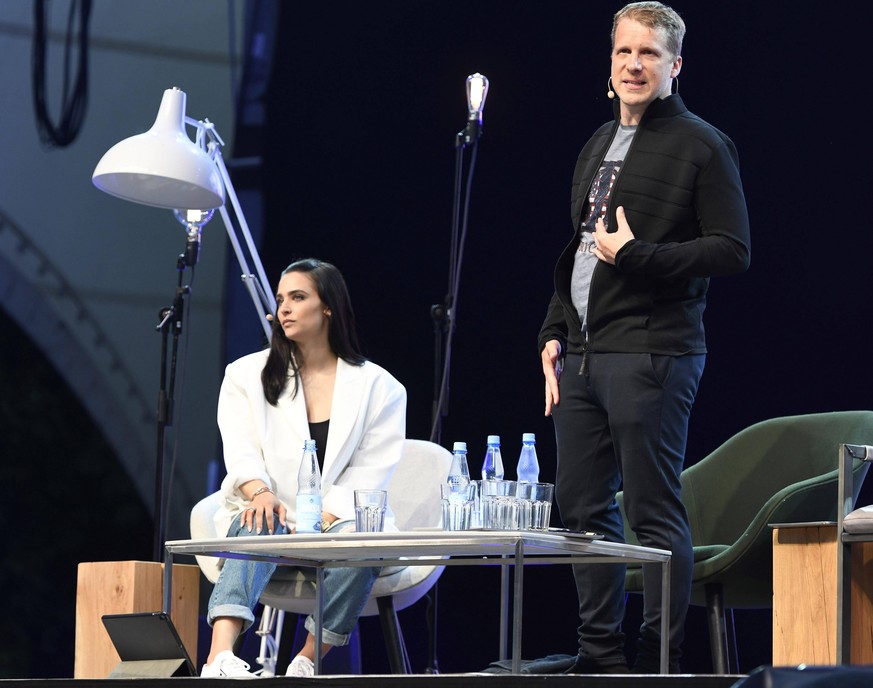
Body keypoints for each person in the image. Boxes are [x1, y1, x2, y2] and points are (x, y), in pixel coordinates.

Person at [538, 2, 750, 674]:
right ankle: (601, 660)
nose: (634, 64)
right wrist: (552, 330)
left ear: (674, 66)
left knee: (653, 514)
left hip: (653, 351)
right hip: (583, 356)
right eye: (624, 52)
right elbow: (579, 249)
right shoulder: (595, 144)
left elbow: (731, 250)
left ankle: (658, 663)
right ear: (609, 64)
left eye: (649, 54)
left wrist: (638, 257)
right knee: (579, 510)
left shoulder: (701, 144)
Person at [200, 258, 407, 678]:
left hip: (336, 518)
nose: (285, 309)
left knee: (363, 541)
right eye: (280, 300)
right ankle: (218, 658)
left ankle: (306, 661)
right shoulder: (245, 375)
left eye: (298, 297)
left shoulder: (380, 387)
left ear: (327, 306)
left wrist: (320, 521)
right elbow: (240, 450)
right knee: (261, 519)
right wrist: (260, 492)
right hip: (270, 506)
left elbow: (371, 470)